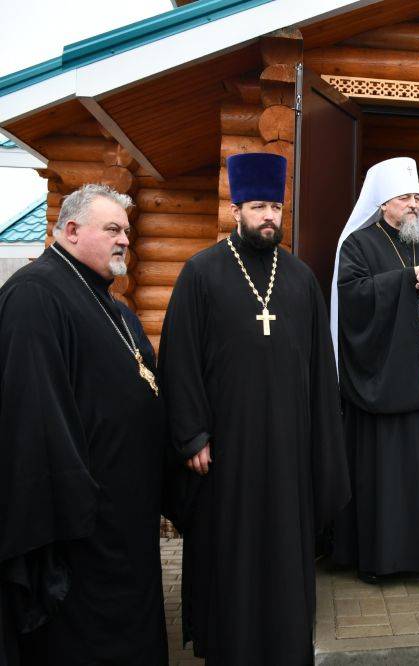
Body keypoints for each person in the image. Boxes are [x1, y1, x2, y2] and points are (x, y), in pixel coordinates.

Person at [158, 153, 350, 664]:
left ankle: (285, 643)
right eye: (260, 206)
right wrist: (192, 435)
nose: (270, 216)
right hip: (227, 450)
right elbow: (179, 359)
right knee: (231, 549)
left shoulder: (301, 278)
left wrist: (321, 443)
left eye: (276, 207)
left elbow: (319, 366)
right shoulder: (201, 272)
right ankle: (230, 644)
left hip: (288, 448)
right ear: (237, 208)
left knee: (286, 553)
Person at [0, 184, 167, 664]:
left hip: (126, 520)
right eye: (113, 229)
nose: (125, 242)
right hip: (80, 527)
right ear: (71, 230)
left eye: (128, 233)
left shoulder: (113, 307)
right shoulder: (36, 295)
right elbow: (35, 414)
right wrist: (82, 502)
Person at [331, 157, 419, 582]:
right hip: (387, 387)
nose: (414, 205)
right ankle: (387, 557)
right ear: (383, 202)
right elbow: (353, 298)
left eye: (417, 197)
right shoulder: (358, 245)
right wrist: (407, 280)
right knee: (389, 479)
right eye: (406, 197)